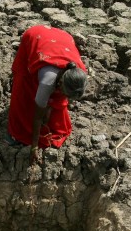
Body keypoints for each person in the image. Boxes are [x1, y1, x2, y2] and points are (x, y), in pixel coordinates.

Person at [6, 25, 89, 165]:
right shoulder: (47, 81)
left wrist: (50, 108)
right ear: (60, 83)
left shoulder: (78, 73)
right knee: (24, 90)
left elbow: (61, 97)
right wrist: (34, 147)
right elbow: (37, 118)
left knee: (52, 106)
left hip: (62, 39)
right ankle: (16, 131)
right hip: (35, 37)